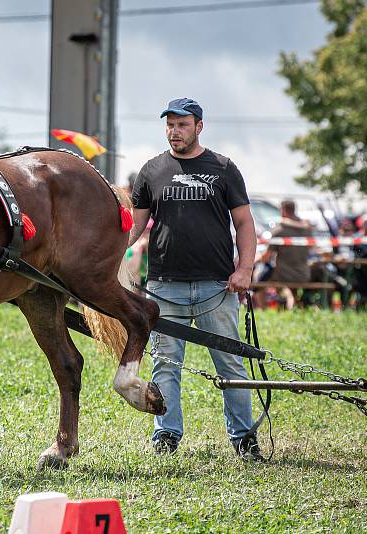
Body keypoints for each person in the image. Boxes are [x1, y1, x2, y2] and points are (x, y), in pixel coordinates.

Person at [128, 97, 262, 461]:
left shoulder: (223, 168)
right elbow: (135, 226)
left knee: (230, 363)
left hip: (216, 286)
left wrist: (245, 269)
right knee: (165, 365)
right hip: (163, 286)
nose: (175, 131)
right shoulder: (151, 171)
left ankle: (243, 439)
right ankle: (166, 436)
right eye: (170, 124)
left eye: (182, 124)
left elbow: (245, 223)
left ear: (198, 126)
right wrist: (106, 257)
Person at [253, 200, 312, 309]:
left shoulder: (279, 230)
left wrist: (252, 261)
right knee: (285, 287)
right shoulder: (307, 230)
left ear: (283, 210)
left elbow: (266, 257)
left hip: (283, 275)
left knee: (259, 279)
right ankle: (292, 304)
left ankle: (263, 309)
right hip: (304, 274)